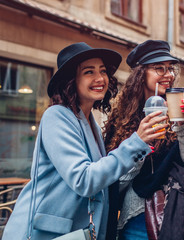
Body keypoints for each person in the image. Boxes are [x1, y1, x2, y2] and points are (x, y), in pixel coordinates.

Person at [2, 42, 166, 240]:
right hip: (43, 233)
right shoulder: (56, 116)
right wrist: (137, 141)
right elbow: (84, 180)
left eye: (103, 71)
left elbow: (104, 179)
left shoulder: (90, 124)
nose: (100, 78)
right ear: (71, 80)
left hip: (77, 232)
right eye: (89, 72)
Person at [104, 40, 184, 240]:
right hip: (137, 218)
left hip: (180, 216)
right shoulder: (122, 118)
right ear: (141, 74)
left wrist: (183, 129)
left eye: (170, 68)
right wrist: (139, 144)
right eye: (159, 68)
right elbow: (115, 181)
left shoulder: (181, 109)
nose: (169, 74)